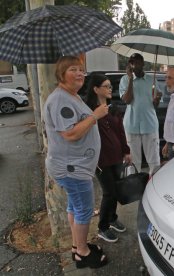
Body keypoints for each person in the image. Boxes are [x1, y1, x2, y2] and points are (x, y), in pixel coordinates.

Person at [43, 56, 108, 269]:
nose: (80, 73)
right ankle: (82, 252)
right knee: (84, 209)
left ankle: (76, 245)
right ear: (62, 74)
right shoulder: (60, 99)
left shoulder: (72, 96)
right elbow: (70, 134)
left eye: (81, 69)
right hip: (72, 168)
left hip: (75, 165)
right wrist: (96, 116)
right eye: (73, 69)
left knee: (74, 207)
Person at [85, 74, 131, 243]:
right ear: (96, 89)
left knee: (116, 190)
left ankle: (112, 218)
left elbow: (120, 132)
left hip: (117, 156)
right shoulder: (88, 110)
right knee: (109, 193)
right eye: (106, 86)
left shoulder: (113, 108)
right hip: (101, 159)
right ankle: (102, 227)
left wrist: (126, 151)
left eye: (110, 86)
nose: (110, 89)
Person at [119, 53, 161, 175]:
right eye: (131, 62)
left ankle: (153, 185)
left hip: (150, 125)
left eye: (136, 61)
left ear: (142, 63)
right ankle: (133, 186)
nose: (133, 64)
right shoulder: (125, 79)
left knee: (154, 161)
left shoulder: (151, 80)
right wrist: (131, 79)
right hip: (131, 125)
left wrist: (156, 100)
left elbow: (156, 105)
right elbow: (127, 100)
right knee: (133, 162)